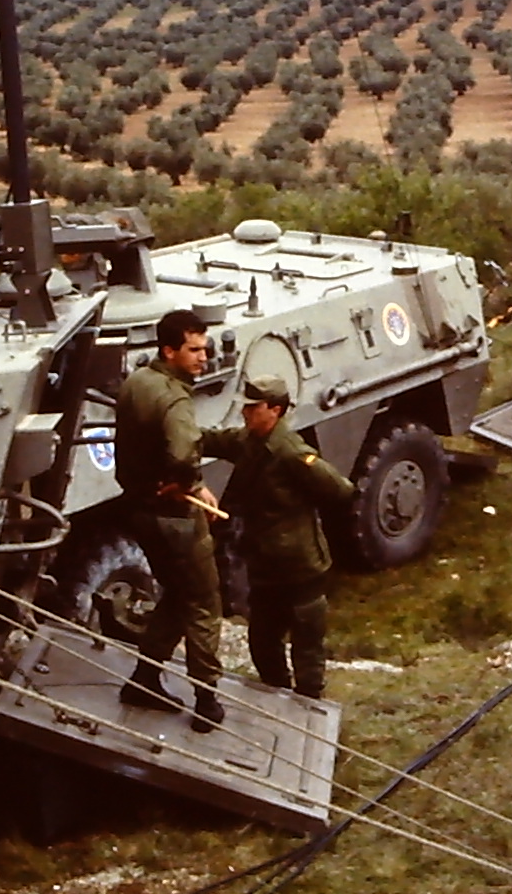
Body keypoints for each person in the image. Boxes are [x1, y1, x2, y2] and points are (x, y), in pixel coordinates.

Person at [202, 375, 358, 701]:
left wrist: (303, 512)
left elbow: (340, 489)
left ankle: (309, 708)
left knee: (306, 645)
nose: (245, 412)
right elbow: (210, 440)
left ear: (275, 410)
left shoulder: (291, 452)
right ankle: (276, 697)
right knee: (262, 641)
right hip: (265, 567)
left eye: (253, 407)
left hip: (300, 567)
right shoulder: (248, 442)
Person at [113, 309, 225, 732]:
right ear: (169, 350)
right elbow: (182, 452)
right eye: (194, 350)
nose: (203, 358)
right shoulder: (175, 399)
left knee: (178, 594)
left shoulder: (137, 382)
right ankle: (207, 702)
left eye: (204, 349)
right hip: (175, 518)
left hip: (139, 508)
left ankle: (144, 680)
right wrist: (191, 484)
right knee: (203, 603)